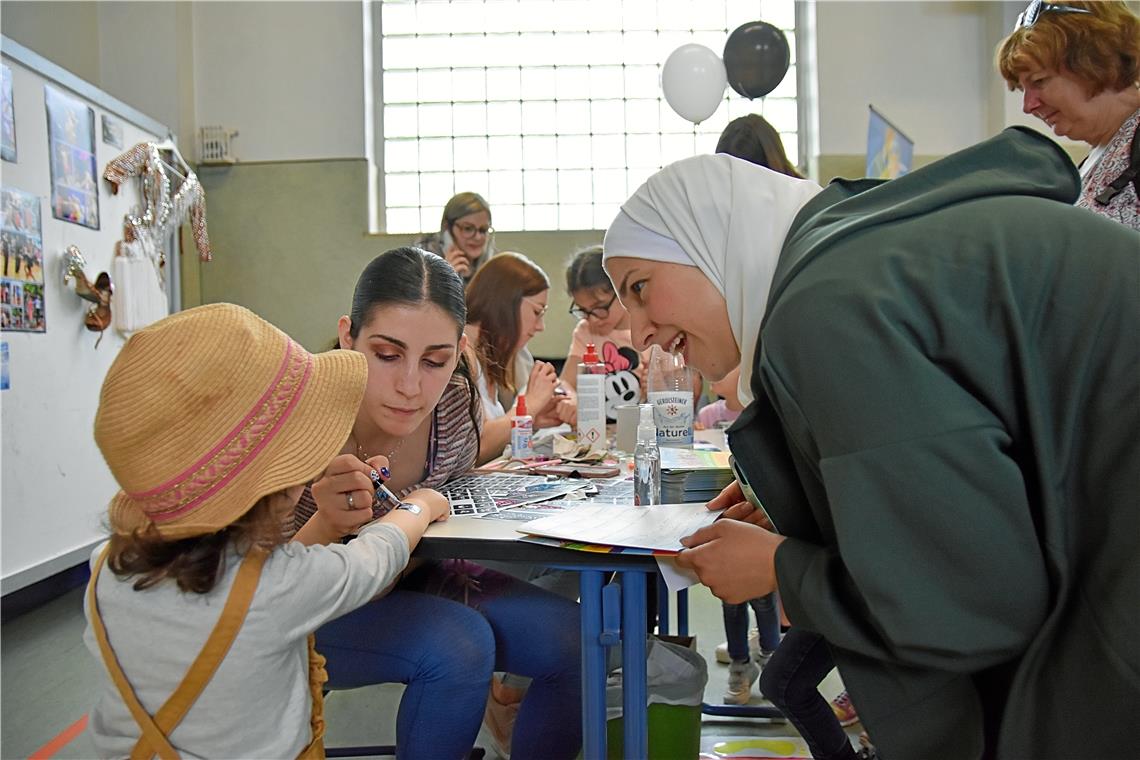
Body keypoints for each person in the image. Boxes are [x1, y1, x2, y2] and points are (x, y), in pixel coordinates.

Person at [603, 129, 1140, 759]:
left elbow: (975, 599)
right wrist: (808, 510)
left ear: (710, 242)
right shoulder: (853, 257)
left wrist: (781, 568)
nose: (639, 332)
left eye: (639, 287)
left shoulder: (823, 307)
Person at [83, 302, 451, 758]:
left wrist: (327, 524)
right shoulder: (280, 588)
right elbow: (375, 558)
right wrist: (421, 503)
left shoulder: (103, 568)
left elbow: (241, 600)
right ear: (276, 489)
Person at [294, 247, 581, 760]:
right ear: (347, 336)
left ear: (459, 351)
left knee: (578, 641)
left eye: (435, 360)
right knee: (459, 646)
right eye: (386, 354)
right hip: (305, 609)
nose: (410, 386)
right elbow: (249, 591)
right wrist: (326, 524)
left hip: (408, 577)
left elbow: (466, 467)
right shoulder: (298, 418)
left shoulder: (452, 403)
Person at [996, 0, 1140, 230]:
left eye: (1039, 81)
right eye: (1023, 90)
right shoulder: (1100, 156)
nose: (1028, 106)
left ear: (1095, 63)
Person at [465, 251, 562, 463]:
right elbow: (473, 448)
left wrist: (532, 422)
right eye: (537, 312)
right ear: (506, 302)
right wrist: (530, 406)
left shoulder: (488, 354)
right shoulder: (462, 353)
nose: (540, 326)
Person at [556, 244, 649, 424]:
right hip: (597, 432)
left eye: (599, 307)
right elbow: (565, 382)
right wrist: (571, 398)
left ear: (621, 290)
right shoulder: (585, 331)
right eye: (583, 310)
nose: (593, 319)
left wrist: (657, 384)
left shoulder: (650, 329)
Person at [414, 191, 495, 281]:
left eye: (483, 230)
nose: (478, 237)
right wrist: (444, 278)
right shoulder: (422, 262)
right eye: (468, 228)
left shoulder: (495, 264)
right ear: (447, 228)